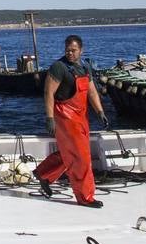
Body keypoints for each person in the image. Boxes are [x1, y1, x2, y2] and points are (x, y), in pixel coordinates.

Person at [34, 34, 109, 208]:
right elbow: (48, 93)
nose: (70, 53)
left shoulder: (85, 67)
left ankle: (44, 173)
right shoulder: (58, 68)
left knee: (69, 152)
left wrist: (100, 112)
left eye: (73, 50)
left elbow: (91, 92)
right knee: (81, 156)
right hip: (65, 116)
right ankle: (85, 197)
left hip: (81, 116)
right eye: (67, 50)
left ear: (81, 50)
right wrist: (50, 118)